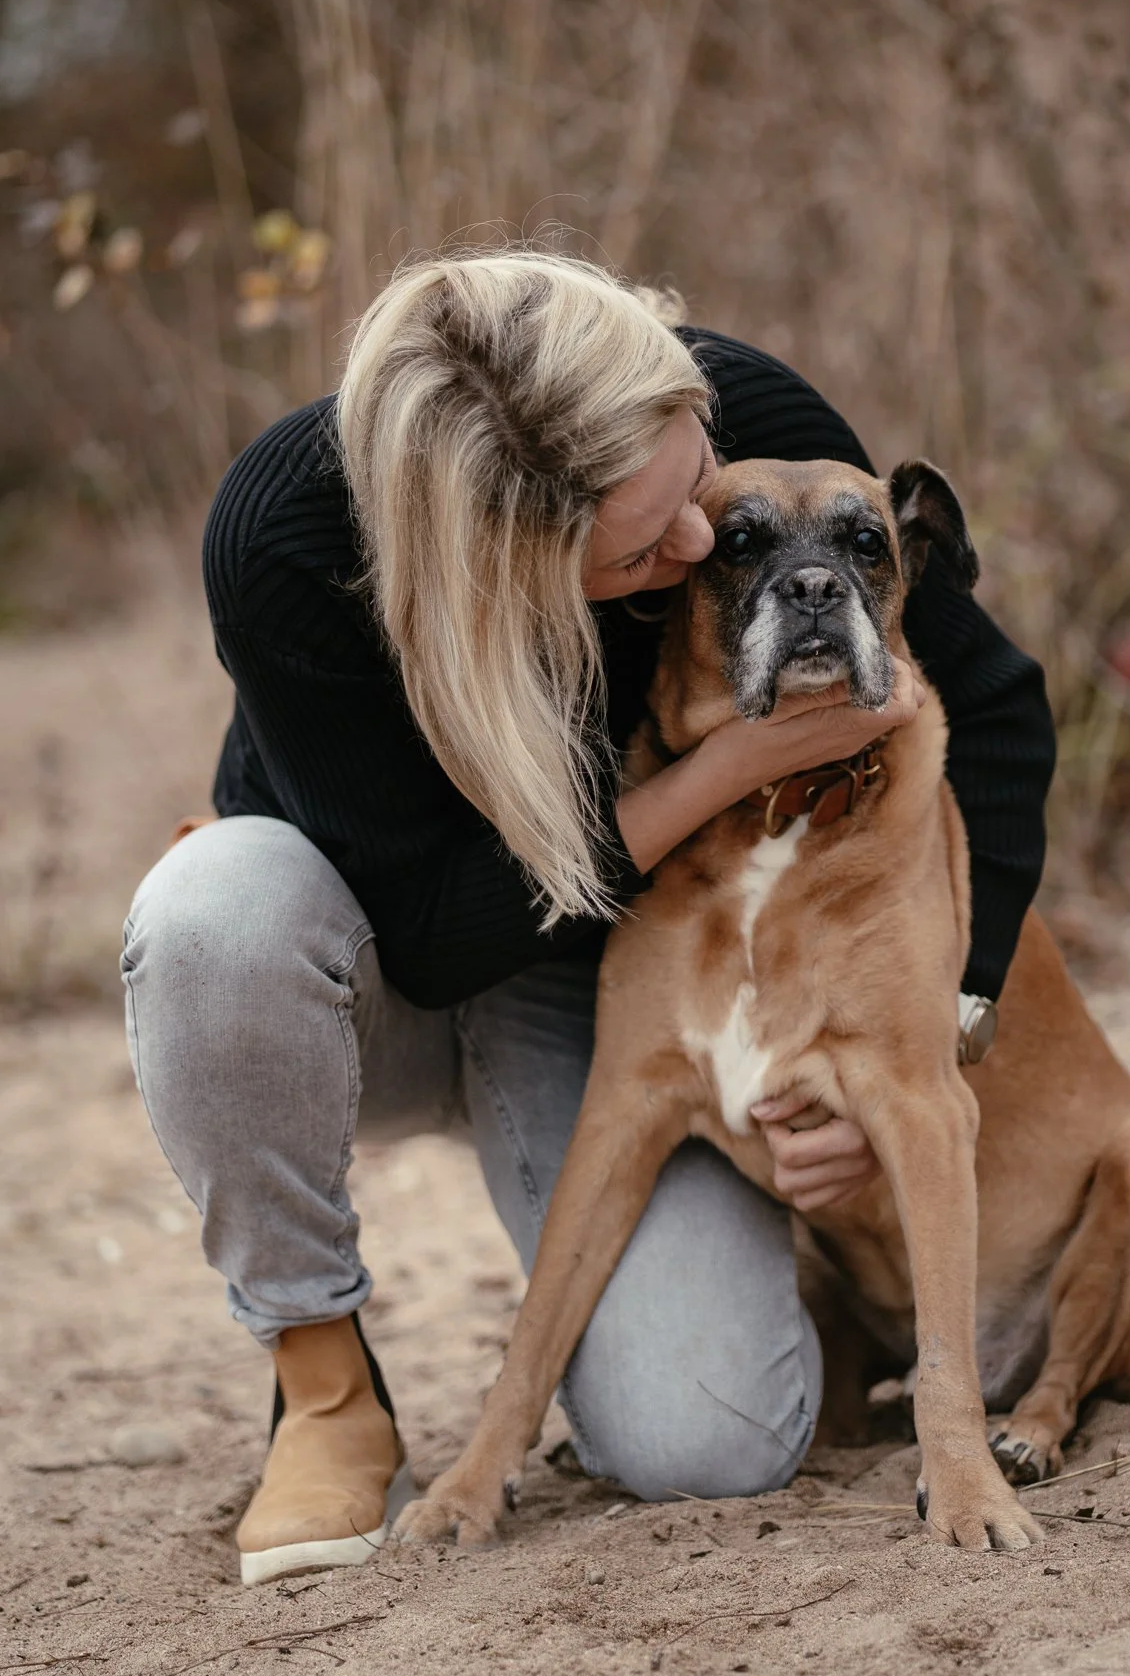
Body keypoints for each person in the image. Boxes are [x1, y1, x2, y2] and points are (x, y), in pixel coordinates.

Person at [121, 252, 1055, 1586]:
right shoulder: (284, 539)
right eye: (646, 548)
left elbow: (990, 700)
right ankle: (321, 1383)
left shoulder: (746, 430)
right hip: (377, 950)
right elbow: (439, 935)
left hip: (593, 958)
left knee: (711, 1433)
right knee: (214, 909)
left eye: (694, 492)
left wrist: (936, 1019)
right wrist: (724, 772)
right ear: (512, 555)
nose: (695, 547)